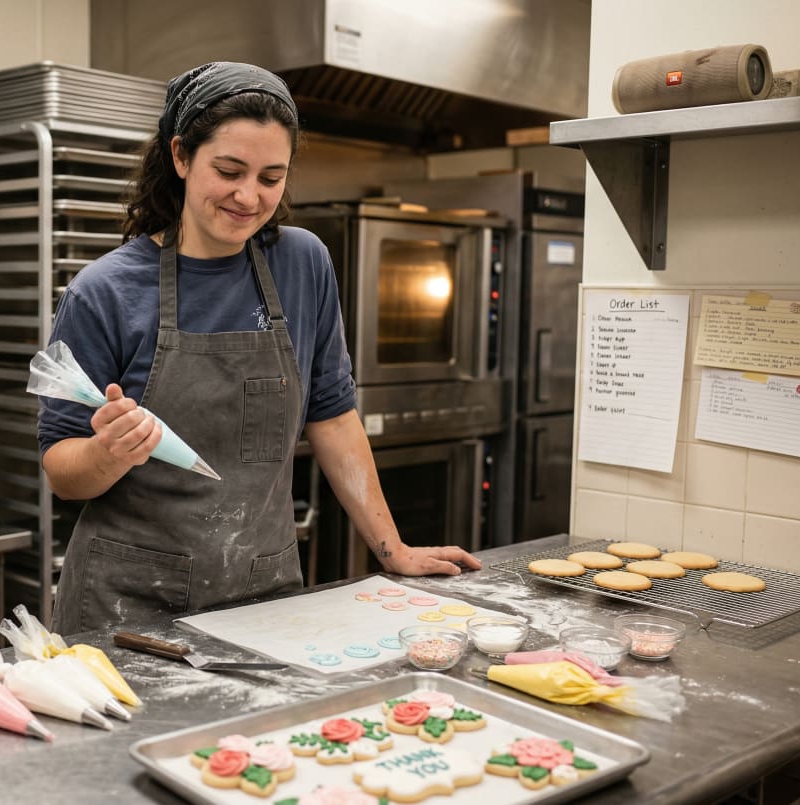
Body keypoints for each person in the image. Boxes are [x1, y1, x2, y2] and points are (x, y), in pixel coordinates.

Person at [38, 61, 481, 635]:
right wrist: (109, 453)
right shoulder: (104, 292)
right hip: (127, 609)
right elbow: (61, 469)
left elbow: (333, 414)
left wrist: (391, 548)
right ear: (180, 157)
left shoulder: (303, 263)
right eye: (229, 170)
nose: (249, 196)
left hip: (264, 595)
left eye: (271, 178)